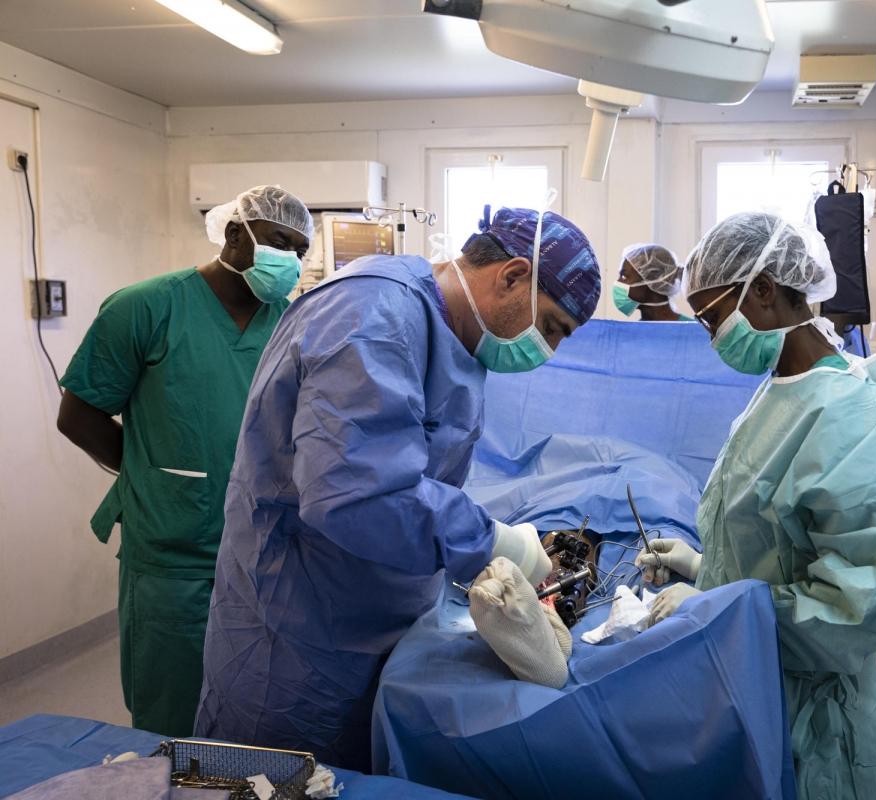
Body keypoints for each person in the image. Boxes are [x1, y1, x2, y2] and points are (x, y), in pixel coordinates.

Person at [195, 204, 602, 770]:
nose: (548, 349)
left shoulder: (452, 336)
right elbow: (358, 493)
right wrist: (495, 545)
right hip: (296, 635)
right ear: (512, 276)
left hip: (370, 615)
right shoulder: (373, 314)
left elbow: (415, 471)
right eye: (552, 327)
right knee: (271, 778)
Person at [637, 212, 876, 799]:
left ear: (762, 290)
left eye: (712, 317)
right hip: (756, 676)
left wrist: (716, 609)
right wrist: (701, 568)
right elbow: (781, 550)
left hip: (813, 717)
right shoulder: (783, 387)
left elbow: (864, 603)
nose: (711, 336)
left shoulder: (852, 415)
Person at [56, 185, 312, 736]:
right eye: (277, 241)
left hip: (263, 553)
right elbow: (78, 416)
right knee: (172, 716)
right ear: (235, 234)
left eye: (298, 250)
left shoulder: (290, 325)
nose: (287, 260)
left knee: (255, 710)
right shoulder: (145, 307)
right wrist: (153, 473)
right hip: (173, 556)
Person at [612, 243, 686, 321]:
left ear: (654, 281)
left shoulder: (693, 330)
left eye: (624, 276)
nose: (618, 282)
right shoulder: (632, 331)